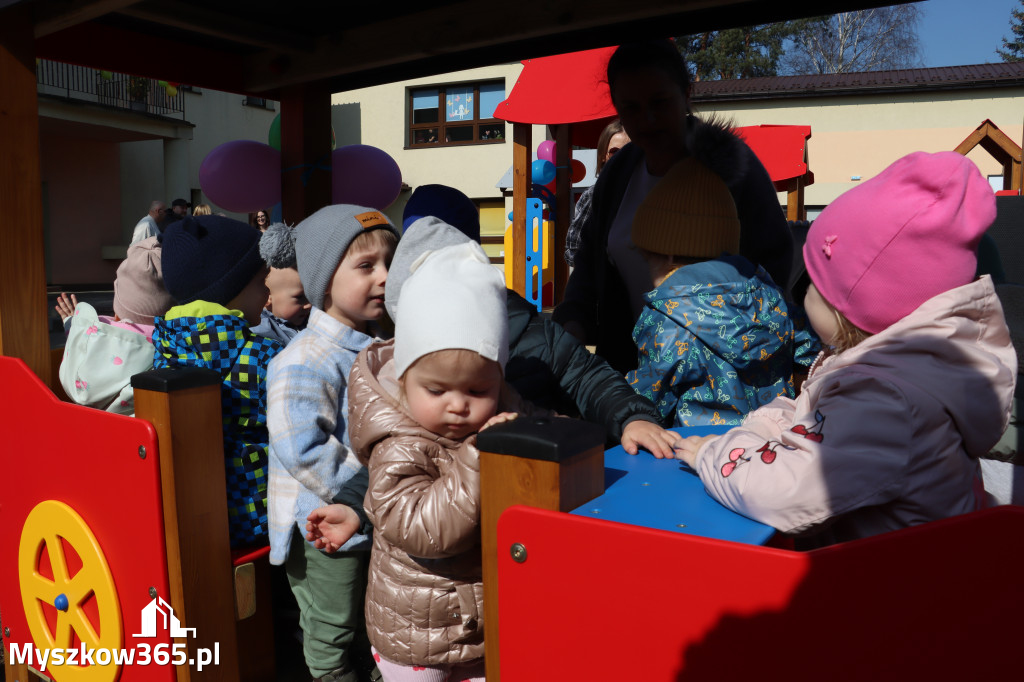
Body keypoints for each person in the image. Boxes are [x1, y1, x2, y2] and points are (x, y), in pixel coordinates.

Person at [676, 151, 1016, 548]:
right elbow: (816, 414)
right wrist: (762, 426)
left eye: (813, 284)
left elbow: (783, 492)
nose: (802, 294)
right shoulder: (901, 369)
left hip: (899, 594)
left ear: (852, 305)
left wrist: (714, 453)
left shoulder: (886, 400)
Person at [309, 241, 544, 682]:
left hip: (479, 619)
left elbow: (543, 432)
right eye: (437, 392)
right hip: (415, 635)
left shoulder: (505, 411)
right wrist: (477, 458)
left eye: (477, 391)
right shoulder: (398, 443)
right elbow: (421, 529)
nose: (459, 406)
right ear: (404, 378)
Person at [553, 40, 793, 374]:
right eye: (631, 108)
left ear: (687, 93)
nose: (647, 119)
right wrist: (573, 324)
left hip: (720, 378)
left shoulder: (733, 168)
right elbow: (589, 266)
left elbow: (774, 268)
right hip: (627, 371)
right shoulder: (617, 174)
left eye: (659, 102)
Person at [392, 184, 680, 456]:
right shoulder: (393, 352)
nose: (456, 405)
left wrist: (631, 418)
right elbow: (383, 451)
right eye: (435, 389)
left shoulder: (533, 336)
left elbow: (590, 378)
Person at [266, 205, 399, 682]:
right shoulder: (305, 358)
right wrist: (378, 489)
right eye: (366, 266)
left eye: (390, 261)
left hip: (371, 517)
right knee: (332, 625)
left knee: (369, 616)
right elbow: (302, 448)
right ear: (324, 279)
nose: (384, 276)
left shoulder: (381, 346)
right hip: (322, 529)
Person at [625, 158, 819, 428]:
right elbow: (810, 357)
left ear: (667, 251)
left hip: (698, 455)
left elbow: (646, 399)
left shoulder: (667, 318)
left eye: (648, 260)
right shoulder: (770, 295)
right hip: (771, 446)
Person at [154, 214, 282, 548]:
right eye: (260, 282)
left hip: (185, 518)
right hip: (258, 517)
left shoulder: (164, 347)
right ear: (230, 289)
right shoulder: (267, 356)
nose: (268, 293)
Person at [55, 236, 175, 415]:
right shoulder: (173, 346)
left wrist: (74, 326)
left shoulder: (94, 337)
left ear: (117, 312)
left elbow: (78, 356)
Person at [564, 119, 630, 266]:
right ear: (603, 157)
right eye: (614, 152)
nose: (623, 156)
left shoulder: (649, 190)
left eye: (629, 150)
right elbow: (572, 250)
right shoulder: (595, 195)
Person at [251, 222, 311, 346]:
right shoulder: (262, 332)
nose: (309, 305)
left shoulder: (311, 320)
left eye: (310, 294)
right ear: (267, 297)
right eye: (299, 297)